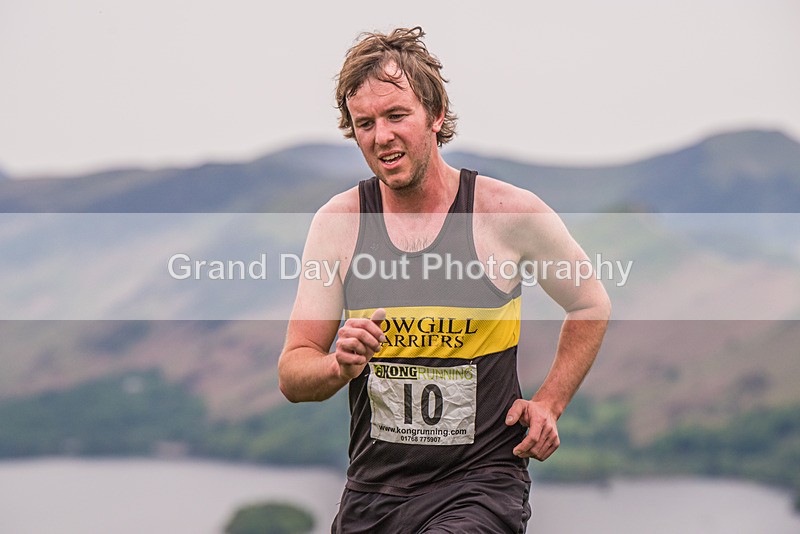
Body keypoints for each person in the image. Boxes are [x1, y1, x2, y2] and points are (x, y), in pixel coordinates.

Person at [278, 27, 611, 533]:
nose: (381, 136)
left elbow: (589, 303)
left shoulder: (507, 212)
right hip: (373, 492)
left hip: (480, 483)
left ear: (435, 115)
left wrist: (549, 402)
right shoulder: (339, 223)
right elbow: (293, 373)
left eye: (396, 115)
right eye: (364, 123)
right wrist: (337, 365)